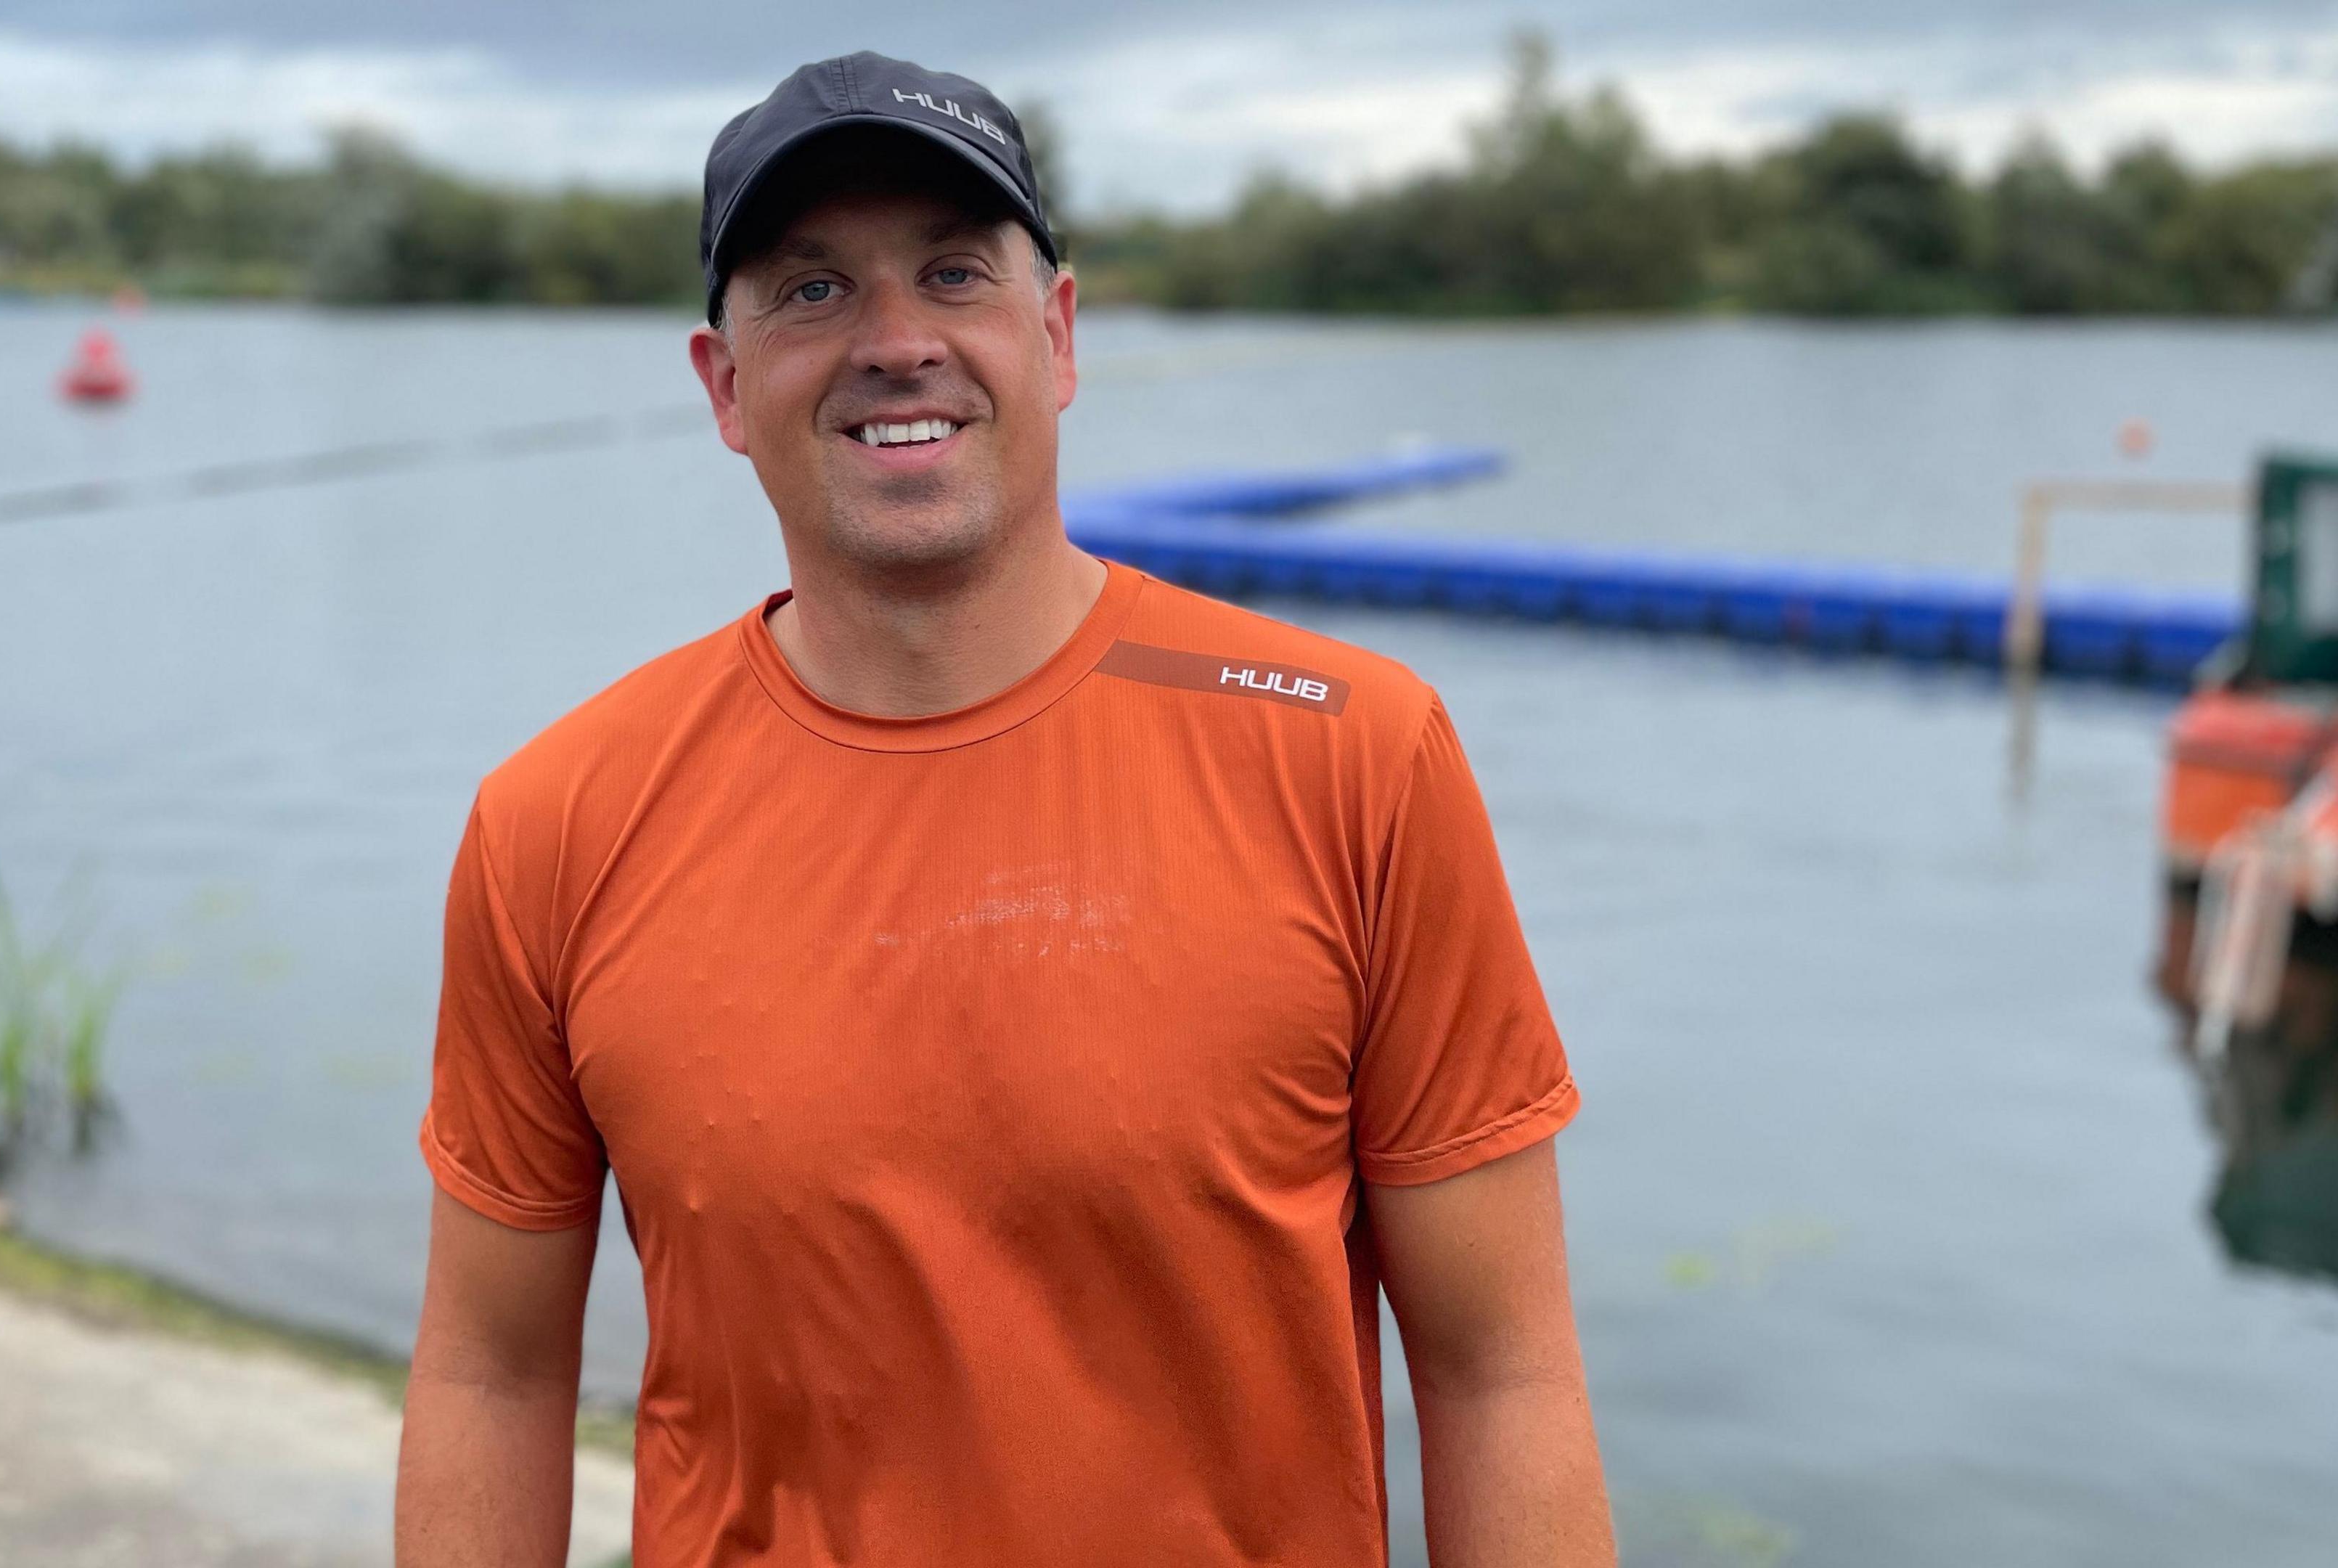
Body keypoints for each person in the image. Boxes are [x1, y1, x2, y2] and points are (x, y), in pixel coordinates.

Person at [396, 51, 1613, 1568]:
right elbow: (489, 1373)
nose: (897, 343)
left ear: (1058, 334)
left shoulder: (1355, 756)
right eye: (812, 291)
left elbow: (1502, 1374)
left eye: (956, 274)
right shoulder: (559, 820)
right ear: (722, 385)